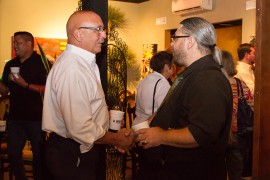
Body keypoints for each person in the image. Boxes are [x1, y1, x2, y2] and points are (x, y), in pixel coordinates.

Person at [42, 10, 135, 180]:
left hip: (78, 150)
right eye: (98, 29)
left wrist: (104, 119)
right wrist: (115, 139)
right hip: (71, 153)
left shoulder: (83, 63)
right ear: (78, 34)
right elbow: (79, 128)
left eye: (103, 29)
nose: (104, 35)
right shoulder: (73, 68)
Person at [136, 17, 233, 180]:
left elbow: (200, 134)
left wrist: (160, 136)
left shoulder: (208, 79)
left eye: (175, 38)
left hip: (194, 172)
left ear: (190, 41)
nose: (172, 44)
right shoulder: (191, 74)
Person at [0, 31, 47, 180]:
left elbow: (48, 90)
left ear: (29, 44)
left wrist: (25, 85)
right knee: (13, 153)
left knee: (39, 156)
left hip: (36, 118)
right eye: (14, 43)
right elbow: (5, 91)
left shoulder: (41, 63)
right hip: (15, 118)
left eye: (18, 43)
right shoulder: (10, 64)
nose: (15, 46)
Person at [221, 50, 254, 180]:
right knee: (236, 168)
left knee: (217, 167)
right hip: (239, 131)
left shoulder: (216, 84)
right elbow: (251, 104)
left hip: (220, 131)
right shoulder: (240, 84)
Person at [132, 51, 174, 127]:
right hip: (150, 128)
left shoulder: (144, 80)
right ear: (166, 67)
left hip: (138, 125)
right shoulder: (162, 83)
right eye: (172, 65)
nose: (174, 69)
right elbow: (164, 112)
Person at [235, 43, 256, 178]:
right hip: (246, 112)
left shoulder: (249, 69)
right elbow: (253, 91)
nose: (256, 55)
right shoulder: (242, 70)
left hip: (251, 110)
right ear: (247, 55)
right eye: (254, 52)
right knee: (245, 145)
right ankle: (243, 173)